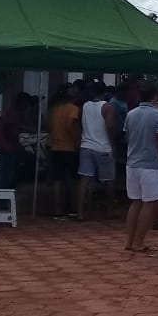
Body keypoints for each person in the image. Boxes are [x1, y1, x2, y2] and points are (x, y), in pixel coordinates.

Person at [123, 83, 158, 252]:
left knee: (135, 202)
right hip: (150, 163)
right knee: (149, 203)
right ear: (154, 96)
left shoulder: (131, 114)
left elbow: (127, 138)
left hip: (132, 162)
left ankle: (129, 241)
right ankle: (139, 242)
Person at [76, 82, 117, 220]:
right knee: (109, 180)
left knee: (84, 179)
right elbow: (110, 126)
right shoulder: (107, 107)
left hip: (86, 146)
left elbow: (80, 124)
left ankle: (81, 213)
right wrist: (113, 143)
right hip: (103, 146)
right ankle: (110, 210)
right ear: (104, 92)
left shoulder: (84, 106)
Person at [47, 85, 82, 218]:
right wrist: (77, 141)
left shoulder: (55, 110)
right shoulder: (73, 109)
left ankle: (57, 209)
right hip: (69, 148)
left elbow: (49, 127)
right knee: (72, 179)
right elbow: (72, 126)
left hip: (55, 147)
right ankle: (72, 207)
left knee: (57, 179)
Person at [0, 92, 26, 190]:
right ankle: (5, 191)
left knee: (6, 170)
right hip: (7, 145)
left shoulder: (11, 111)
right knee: (7, 171)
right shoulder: (13, 113)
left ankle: (5, 189)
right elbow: (13, 131)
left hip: (5, 143)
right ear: (22, 102)